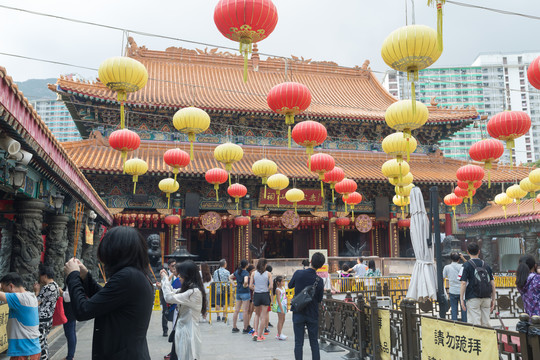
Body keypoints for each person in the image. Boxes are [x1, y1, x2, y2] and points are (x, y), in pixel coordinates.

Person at [64, 226, 154, 359]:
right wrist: (85, 277)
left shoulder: (127, 276)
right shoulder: (136, 274)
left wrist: (73, 276)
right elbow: (106, 299)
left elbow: (83, 310)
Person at [159, 260, 207, 360]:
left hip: (188, 335)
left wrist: (165, 279)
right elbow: (173, 292)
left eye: (181, 274)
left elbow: (169, 298)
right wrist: (164, 283)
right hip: (181, 332)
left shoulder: (194, 292)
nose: (179, 276)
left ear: (188, 275)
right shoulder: (188, 289)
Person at [288, 252, 325, 360]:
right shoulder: (320, 280)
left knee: (298, 342)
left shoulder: (298, 273)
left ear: (310, 261)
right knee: (314, 342)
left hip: (298, 311)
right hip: (312, 313)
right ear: (321, 266)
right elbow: (319, 299)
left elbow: (290, 285)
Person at [0, 273, 41, 360]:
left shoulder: (20, 298)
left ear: (11, 286)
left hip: (23, 352)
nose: (4, 292)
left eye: (4, 289)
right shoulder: (31, 296)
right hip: (31, 349)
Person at [460, 242, 496, 327]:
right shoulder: (486, 265)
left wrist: (461, 299)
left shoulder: (466, 265)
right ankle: (486, 339)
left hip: (472, 297)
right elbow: (492, 283)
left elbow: (463, 283)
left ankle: (478, 340)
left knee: (474, 323)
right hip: (486, 297)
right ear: (479, 252)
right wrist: (493, 299)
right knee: (486, 322)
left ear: (468, 252)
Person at [34, 264, 59, 360]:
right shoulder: (56, 286)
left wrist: (36, 291)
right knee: (44, 342)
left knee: (40, 343)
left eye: (40, 276)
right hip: (49, 318)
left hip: (42, 319)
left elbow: (36, 303)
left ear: (44, 276)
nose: (40, 279)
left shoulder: (47, 288)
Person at [250, 258, 272, 342]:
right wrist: (265, 288)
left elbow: (250, 286)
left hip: (257, 294)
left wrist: (256, 288)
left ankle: (255, 332)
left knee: (257, 314)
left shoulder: (253, 273)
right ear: (265, 265)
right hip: (265, 294)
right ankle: (260, 335)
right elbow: (271, 286)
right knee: (263, 316)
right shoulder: (268, 274)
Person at [443, 252, 467, 322]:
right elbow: (469, 264)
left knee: (453, 308)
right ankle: (465, 323)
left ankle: (454, 323)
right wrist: (463, 257)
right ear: (459, 259)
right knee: (464, 308)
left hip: (452, 290)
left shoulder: (446, 267)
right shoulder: (462, 266)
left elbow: (443, 278)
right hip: (462, 291)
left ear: (451, 259)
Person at [229, 259, 251, 333]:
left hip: (238, 292)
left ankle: (234, 327)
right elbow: (245, 281)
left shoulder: (237, 271)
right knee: (245, 311)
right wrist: (245, 285)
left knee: (236, 310)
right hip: (245, 292)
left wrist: (234, 284)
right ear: (246, 265)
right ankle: (245, 328)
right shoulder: (246, 272)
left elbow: (230, 277)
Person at [161, 258, 177, 337]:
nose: (174, 267)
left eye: (175, 265)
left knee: (175, 312)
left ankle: (174, 329)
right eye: (172, 266)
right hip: (166, 295)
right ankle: (165, 330)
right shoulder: (165, 273)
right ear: (169, 266)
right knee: (165, 312)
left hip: (174, 294)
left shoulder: (177, 272)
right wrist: (172, 274)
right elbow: (166, 281)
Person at [62, 286, 77, 360]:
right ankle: (71, 355)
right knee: (72, 333)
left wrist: (61, 292)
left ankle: (70, 356)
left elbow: (67, 298)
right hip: (72, 309)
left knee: (70, 333)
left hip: (69, 311)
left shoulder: (71, 279)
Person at [272, 275, 288, 340]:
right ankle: (279, 334)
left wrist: (286, 307)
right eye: (282, 282)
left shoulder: (283, 288)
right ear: (278, 282)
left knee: (283, 319)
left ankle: (279, 333)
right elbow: (278, 300)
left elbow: (285, 297)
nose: (283, 283)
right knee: (280, 320)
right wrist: (281, 309)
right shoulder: (278, 290)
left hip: (284, 305)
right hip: (280, 306)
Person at [245, 264, 256, 334]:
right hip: (250, 294)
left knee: (251, 311)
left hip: (252, 294)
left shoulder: (253, 277)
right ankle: (247, 324)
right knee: (249, 311)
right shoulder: (248, 277)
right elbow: (250, 286)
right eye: (253, 270)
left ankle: (248, 324)